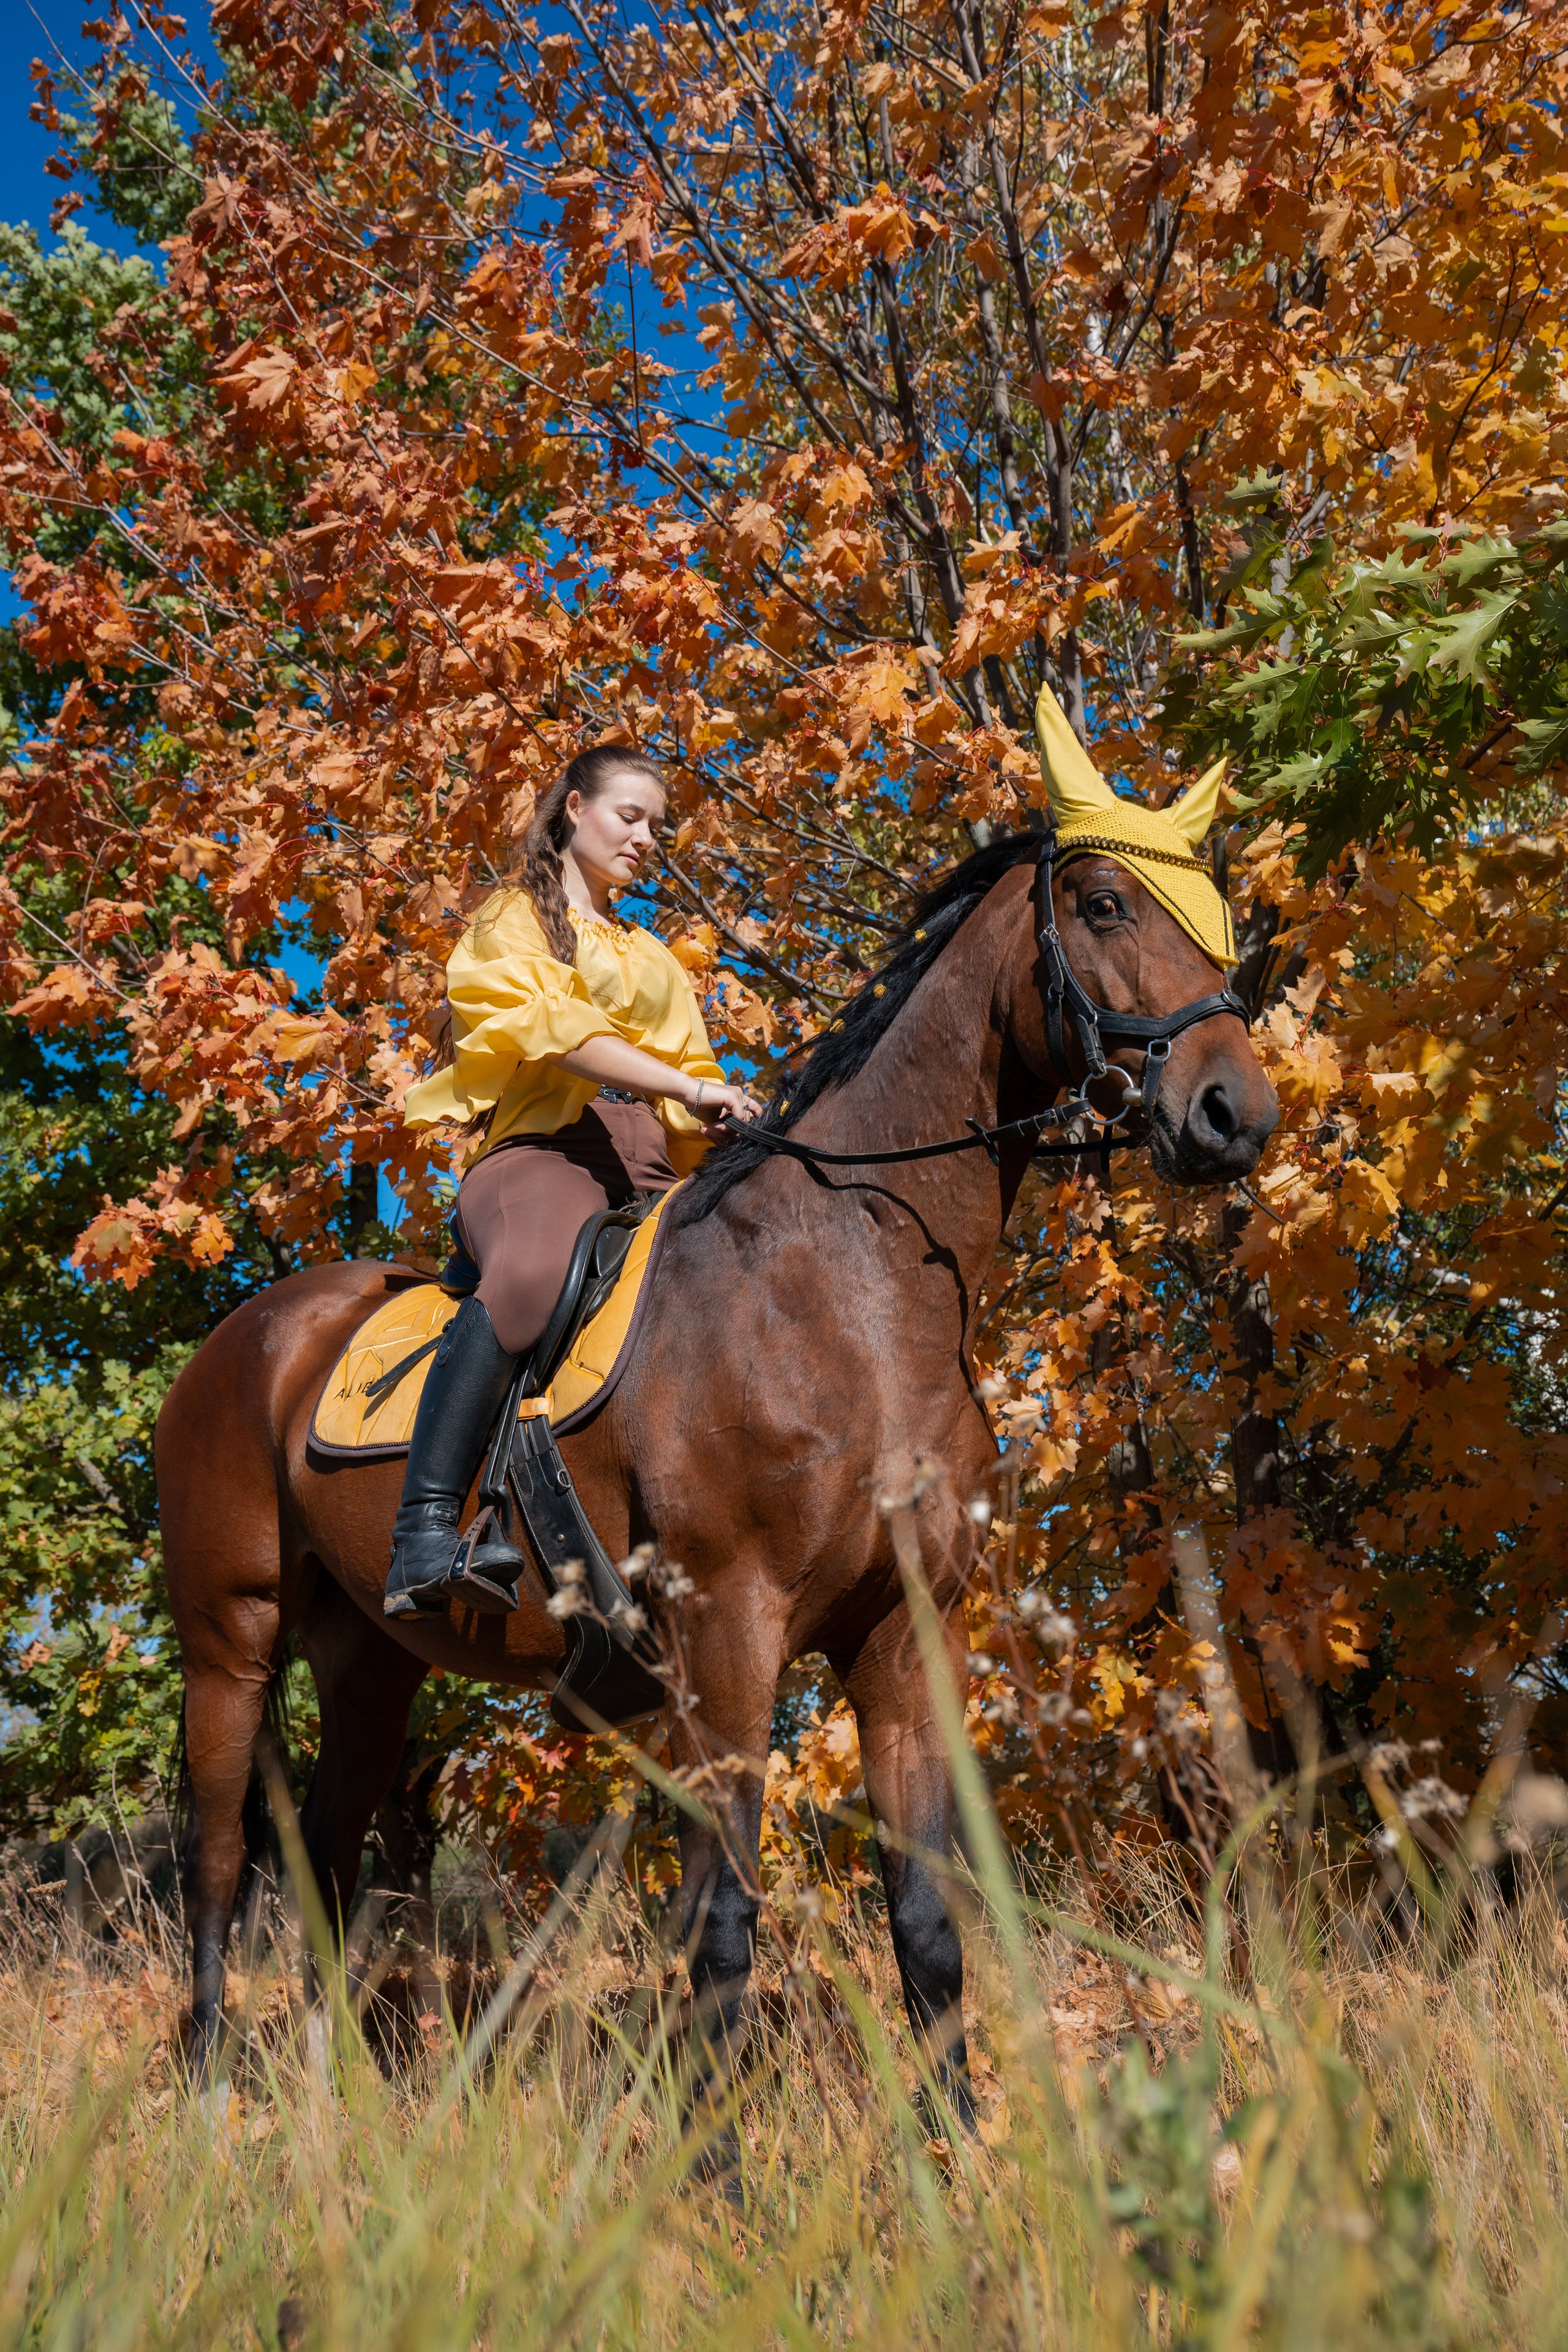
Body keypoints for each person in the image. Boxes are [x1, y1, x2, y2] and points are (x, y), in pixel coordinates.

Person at [385, 745, 763, 1619]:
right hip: (542, 1155)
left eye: (656, 826)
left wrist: (722, 1118)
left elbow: (694, 1069)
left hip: (649, 1166)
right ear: (574, 809)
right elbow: (554, 1030)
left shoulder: (653, 957)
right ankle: (423, 1534)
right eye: (630, 816)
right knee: (531, 1272)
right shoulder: (511, 917)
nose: (646, 839)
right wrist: (683, 1087)